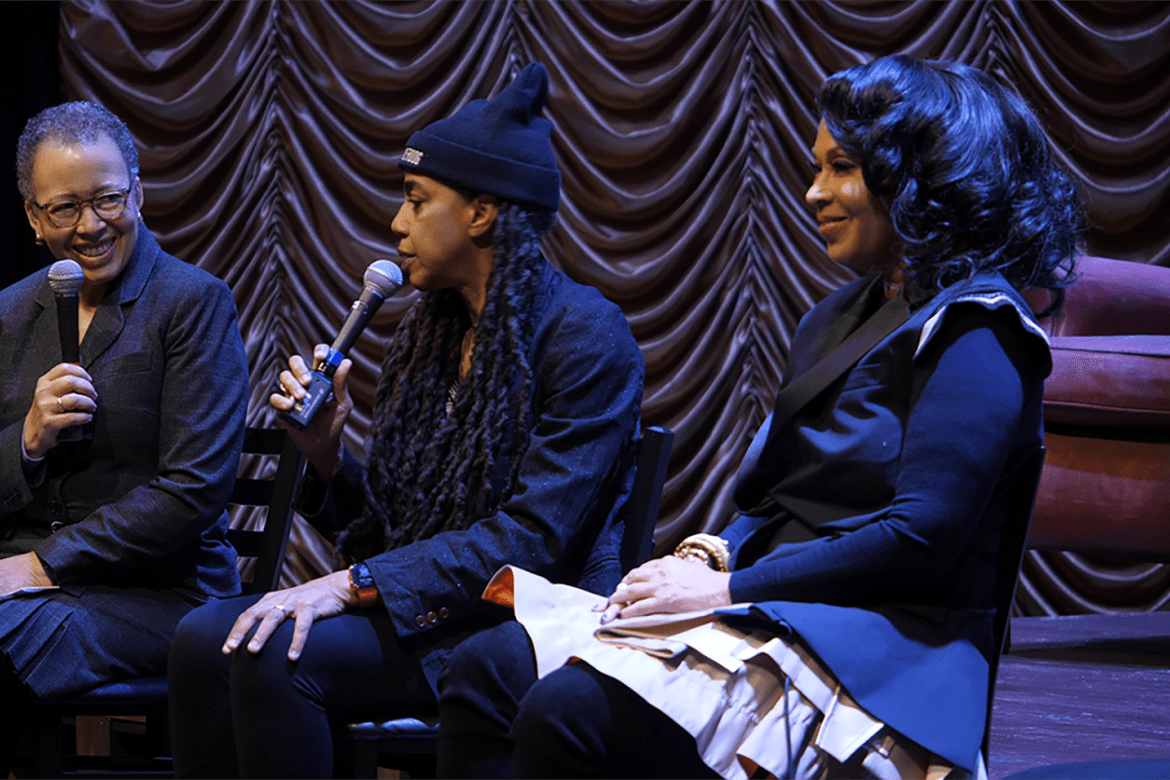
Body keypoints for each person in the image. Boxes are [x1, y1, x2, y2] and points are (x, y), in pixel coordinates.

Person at [434, 54, 1084, 780]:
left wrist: (722, 591)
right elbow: (774, 501)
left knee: (574, 711)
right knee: (488, 665)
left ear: (920, 177)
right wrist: (706, 555)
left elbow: (920, 539)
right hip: (774, 602)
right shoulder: (836, 316)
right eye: (816, 168)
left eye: (842, 167)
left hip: (885, 640)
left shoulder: (979, 331)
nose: (813, 193)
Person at [166, 62, 644, 779]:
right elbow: (395, 533)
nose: (396, 223)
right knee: (206, 637)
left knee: (270, 649)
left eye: (417, 200)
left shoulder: (585, 334)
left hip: (514, 627)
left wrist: (344, 585)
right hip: (433, 612)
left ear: (481, 213)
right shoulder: (433, 334)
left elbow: (534, 539)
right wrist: (327, 458)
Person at [0, 102, 247, 766]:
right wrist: (24, 440)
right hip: (26, 585)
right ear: (32, 216)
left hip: (161, 591)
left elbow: (190, 493)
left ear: (138, 193)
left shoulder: (192, 303)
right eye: (64, 209)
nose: (91, 225)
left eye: (108, 199)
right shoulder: (9, 311)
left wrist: (41, 565)